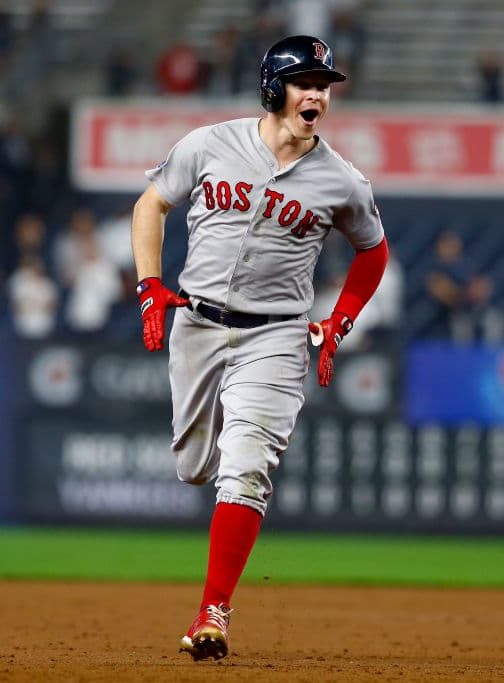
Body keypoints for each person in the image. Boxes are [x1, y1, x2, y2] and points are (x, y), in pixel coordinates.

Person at [129, 35, 388, 661]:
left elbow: (373, 250)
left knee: (246, 465)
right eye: (306, 83)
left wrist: (340, 319)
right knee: (195, 466)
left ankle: (212, 612)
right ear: (275, 88)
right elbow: (152, 204)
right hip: (198, 321)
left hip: (276, 334)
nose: (318, 96)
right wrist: (148, 286)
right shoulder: (210, 143)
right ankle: (226, 470)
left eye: (325, 86)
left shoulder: (342, 180)